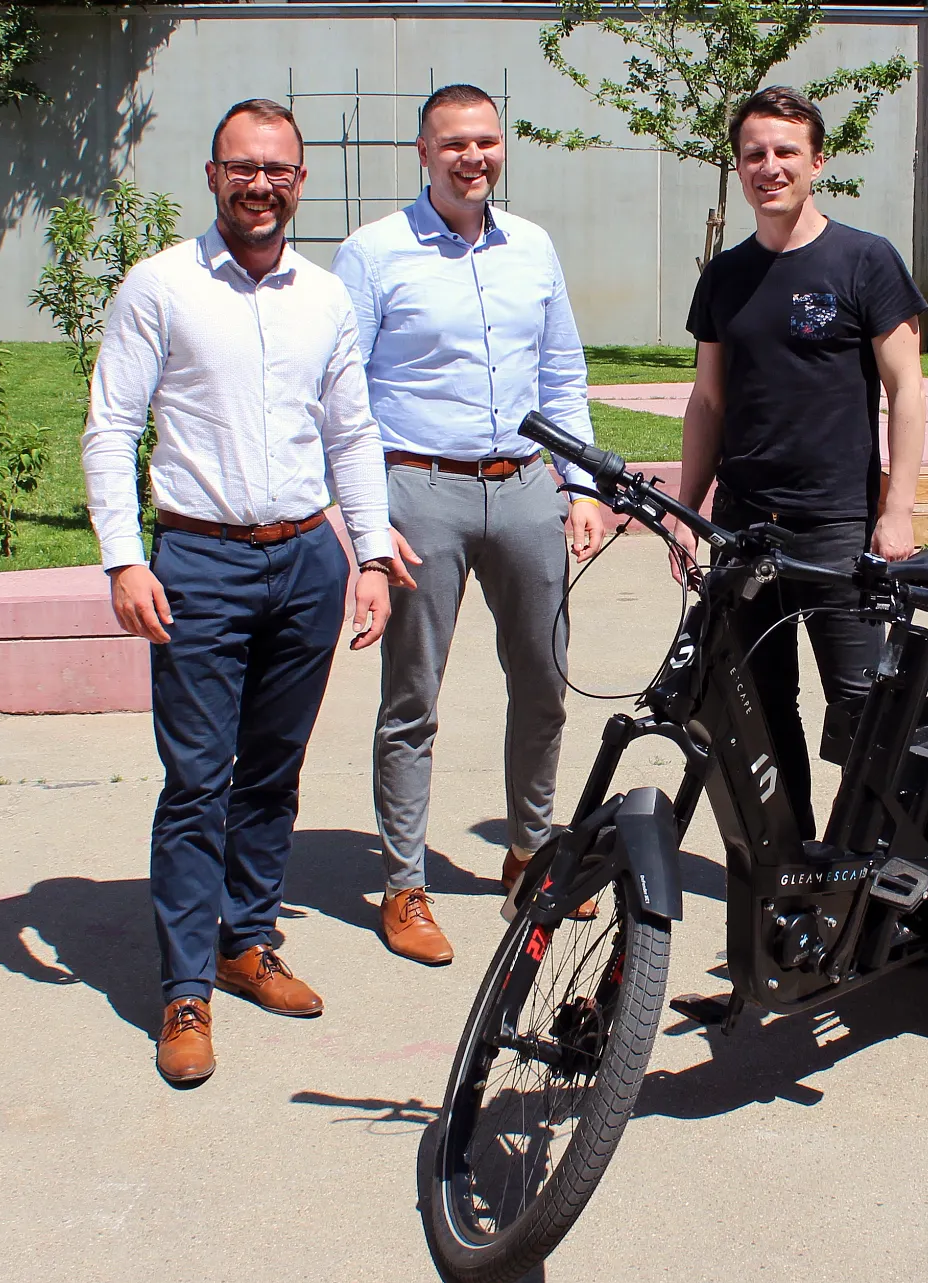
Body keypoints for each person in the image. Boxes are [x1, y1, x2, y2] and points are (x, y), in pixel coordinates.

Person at [83, 98, 414, 1086]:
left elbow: (351, 431)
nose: (260, 184)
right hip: (199, 564)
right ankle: (185, 986)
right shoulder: (161, 286)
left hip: (306, 562)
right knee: (197, 782)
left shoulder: (324, 296)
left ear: (298, 180)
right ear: (214, 175)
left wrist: (365, 555)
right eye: (242, 167)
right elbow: (112, 426)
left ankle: (247, 942)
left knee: (271, 773)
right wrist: (122, 559)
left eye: (276, 168)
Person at [332, 83, 609, 966]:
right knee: (412, 697)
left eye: (486, 141)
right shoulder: (373, 254)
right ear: (423, 153)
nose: (473, 158)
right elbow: (342, 398)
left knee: (546, 681)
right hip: (421, 492)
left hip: (527, 485)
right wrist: (370, 525)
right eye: (454, 143)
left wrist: (584, 484)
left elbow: (561, 372)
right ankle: (404, 884)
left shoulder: (532, 247)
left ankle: (529, 853)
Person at [671, 85, 928, 840]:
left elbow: (906, 389)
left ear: (818, 162)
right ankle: (791, 858)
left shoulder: (865, 260)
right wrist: (690, 515)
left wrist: (898, 508)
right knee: (758, 703)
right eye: (755, 154)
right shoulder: (724, 275)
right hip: (745, 528)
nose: (770, 166)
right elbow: (708, 403)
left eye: (786, 152)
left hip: (838, 526)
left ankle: (870, 864)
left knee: (859, 705)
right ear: (739, 167)